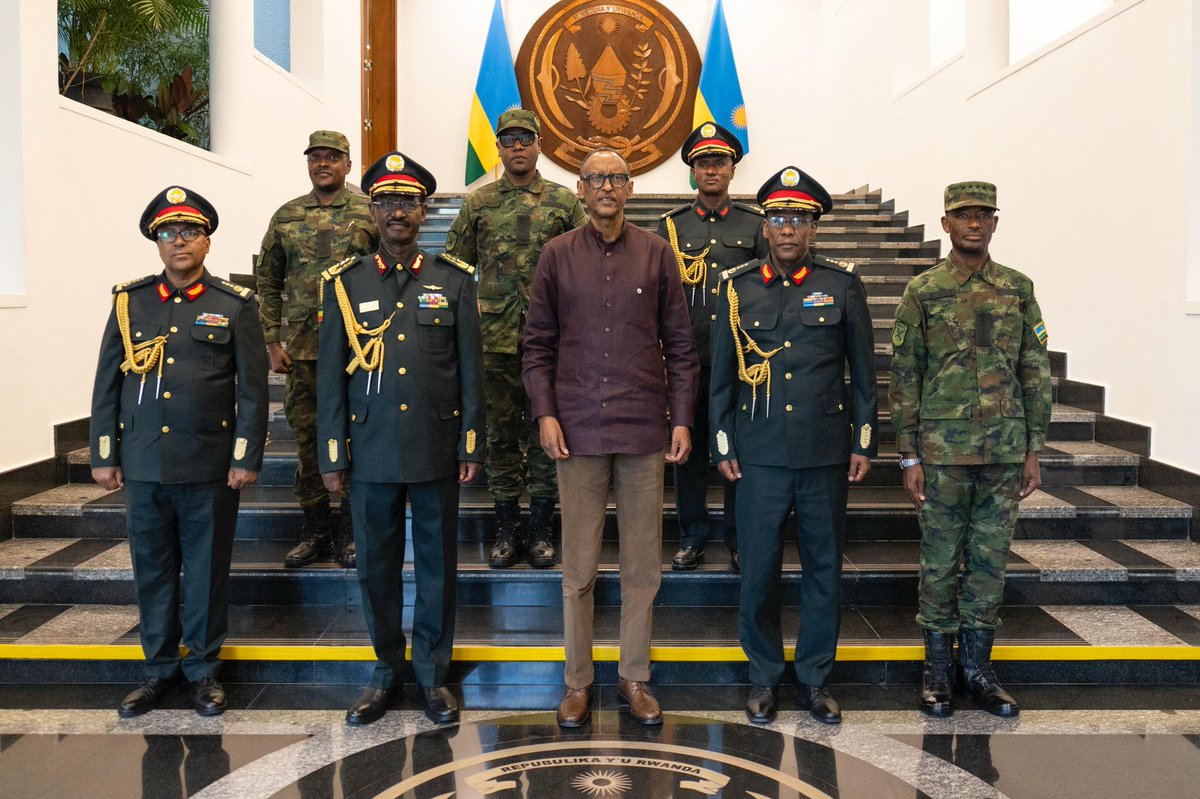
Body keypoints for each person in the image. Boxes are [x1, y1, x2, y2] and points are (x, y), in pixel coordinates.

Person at [523, 148, 699, 728]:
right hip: (575, 430)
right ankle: (577, 682)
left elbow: (680, 344)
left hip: (645, 428)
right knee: (578, 566)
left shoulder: (656, 253)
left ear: (629, 188)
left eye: (617, 178)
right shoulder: (556, 256)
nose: (607, 186)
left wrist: (680, 418)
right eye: (597, 177)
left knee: (643, 565)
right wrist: (546, 413)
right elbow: (537, 347)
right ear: (580, 188)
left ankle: (634, 677)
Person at [317, 151, 485, 726]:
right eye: (387, 201)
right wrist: (332, 454)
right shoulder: (345, 284)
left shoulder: (453, 281)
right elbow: (330, 379)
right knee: (377, 567)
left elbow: (470, 371)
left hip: (435, 447)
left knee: (438, 566)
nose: (397, 212)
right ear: (373, 208)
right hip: (370, 452)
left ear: (424, 210)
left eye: (408, 201)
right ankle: (387, 671)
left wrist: (469, 442)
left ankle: (433, 677)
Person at [91, 186, 269, 718]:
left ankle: (205, 672)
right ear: (157, 243)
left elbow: (253, 391)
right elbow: (107, 383)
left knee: (208, 571)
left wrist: (245, 455)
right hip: (144, 463)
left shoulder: (233, 305)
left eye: (190, 232)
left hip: (210, 464)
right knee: (152, 571)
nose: (179, 242)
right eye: (168, 233)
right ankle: (158, 670)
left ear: (207, 242)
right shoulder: (131, 302)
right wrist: (105, 451)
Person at [710, 166, 877, 725]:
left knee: (822, 569)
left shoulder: (841, 284)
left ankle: (814, 678)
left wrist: (863, 440)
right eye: (778, 218)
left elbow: (863, 373)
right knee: (758, 569)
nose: (787, 229)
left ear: (813, 227)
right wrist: (722, 441)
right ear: (765, 225)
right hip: (757, 453)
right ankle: (762, 677)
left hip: (823, 452)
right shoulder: (737, 287)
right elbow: (722, 377)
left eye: (798, 219)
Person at [889, 181, 1052, 718]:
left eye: (984, 214)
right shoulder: (924, 291)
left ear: (996, 222)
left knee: (988, 564)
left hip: (1004, 452)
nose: (974, 224)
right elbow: (906, 375)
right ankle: (937, 670)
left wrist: (1033, 447)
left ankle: (978, 671)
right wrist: (908, 453)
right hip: (942, 455)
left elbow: (1034, 370)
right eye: (963, 215)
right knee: (938, 564)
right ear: (946, 225)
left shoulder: (1017, 288)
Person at [445, 109, 587, 569]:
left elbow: (588, 266)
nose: (518, 147)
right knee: (502, 438)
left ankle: (542, 529)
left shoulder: (565, 202)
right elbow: (454, 271)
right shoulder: (478, 204)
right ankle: (506, 528)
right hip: (494, 342)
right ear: (499, 148)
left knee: (549, 437)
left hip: (553, 346)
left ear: (539, 144)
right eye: (508, 140)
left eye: (525, 138)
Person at [256, 130, 379, 569]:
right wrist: (272, 339)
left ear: (349, 163)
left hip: (361, 351)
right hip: (304, 351)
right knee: (308, 441)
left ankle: (350, 530)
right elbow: (267, 281)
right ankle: (314, 530)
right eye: (316, 157)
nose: (323, 164)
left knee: (357, 439)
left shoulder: (370, 211)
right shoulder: (287, 216)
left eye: (333, 157)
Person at [655, 121, 768, 572]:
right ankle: (692, 535)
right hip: (690, 360)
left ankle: (739, 536)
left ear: (733, 169)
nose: (712, 170)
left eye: (719, 162)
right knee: (689, 452)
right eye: (703, 163)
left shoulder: (755, 225)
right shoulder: (670, 227)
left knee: (739, 451)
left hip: (740, 361)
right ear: (692, 171)